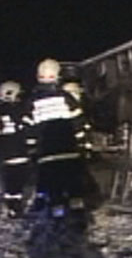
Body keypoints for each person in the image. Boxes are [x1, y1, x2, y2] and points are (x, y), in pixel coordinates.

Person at [26, 58, 89, 217]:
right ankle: (78, 214)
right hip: (69, 150)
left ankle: (58, 215)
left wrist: (32, 150)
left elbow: (29, 130)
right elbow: (78, 121)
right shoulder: (66, 97)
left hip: (46, 154)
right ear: (58, 76)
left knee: (54, 187)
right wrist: (82, 144)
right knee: (74, 184)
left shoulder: (32, 102)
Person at [0, 80, 33, 218]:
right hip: (18, 149)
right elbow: (28, 125)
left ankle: (11, 204)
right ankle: (15, 205)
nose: (19, 99)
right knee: (17, 179)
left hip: (2, 152)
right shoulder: (17, 110)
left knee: (9, 180)